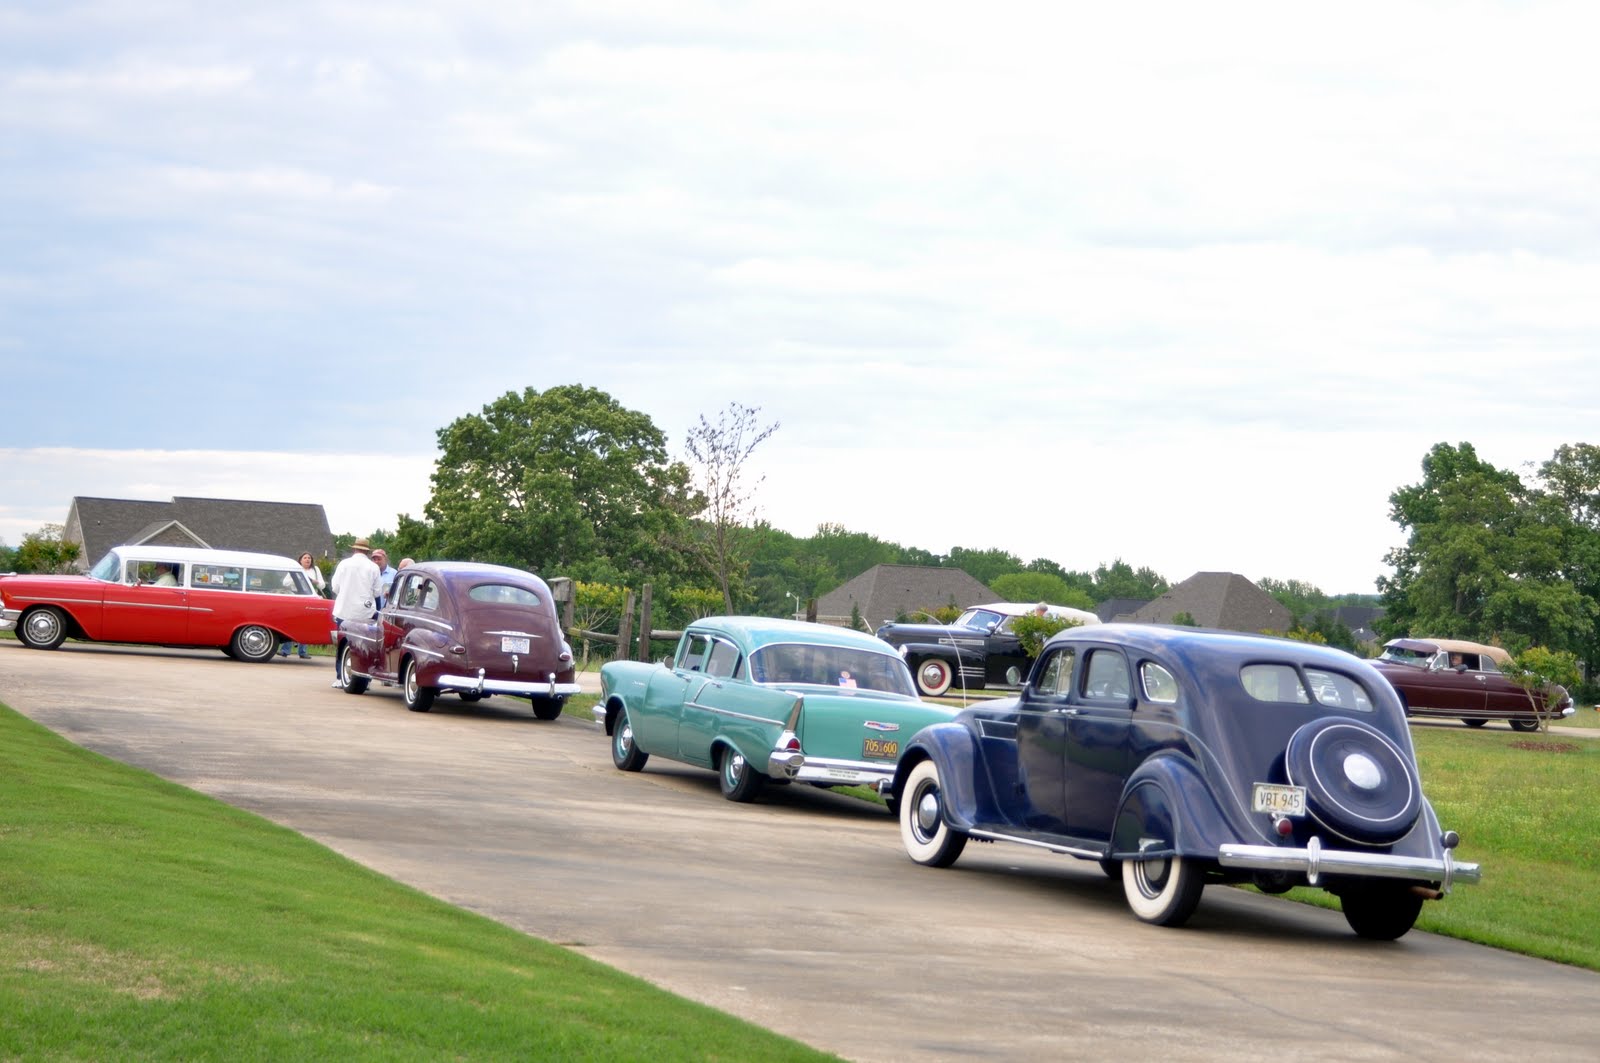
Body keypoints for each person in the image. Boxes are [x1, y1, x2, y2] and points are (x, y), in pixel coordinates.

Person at [330, 538, 383, 686]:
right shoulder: (373, 567)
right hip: (364, 612)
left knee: (343, 644)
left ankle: (340, 677)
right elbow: (377, 591)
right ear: (367, 551)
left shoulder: (344, 564)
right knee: (365, 646)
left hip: (344, 610)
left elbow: (335, 587)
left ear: (354, 549)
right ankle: (364, 680)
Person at [279, 552, 326, 659]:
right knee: (291, 623)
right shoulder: (296, 569)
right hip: (296, 598)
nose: (307, 560)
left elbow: (322, 585)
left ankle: (303, 651)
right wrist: (298, 580)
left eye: (309, 558)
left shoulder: (315, 570)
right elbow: (285, 583)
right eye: (305, 558)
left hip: (310, 598)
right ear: (300, 560)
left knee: (306, 624)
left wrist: (314, 582)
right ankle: (285, 650)